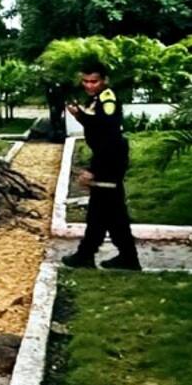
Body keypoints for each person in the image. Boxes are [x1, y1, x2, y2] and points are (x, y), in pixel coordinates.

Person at [61, 59, 140, 270]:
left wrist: (93, 170)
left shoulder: (107, 100)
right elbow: (97, 126)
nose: (89, 85)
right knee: (106, 213)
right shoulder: (97, 99)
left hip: (110, 159)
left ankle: (90, 255)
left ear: (105, 80)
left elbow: (109, 136)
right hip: (107, 156)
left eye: (94, 81)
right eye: (85, 81)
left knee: (106, 212)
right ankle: (118, 257)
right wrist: (80, 115)